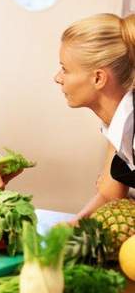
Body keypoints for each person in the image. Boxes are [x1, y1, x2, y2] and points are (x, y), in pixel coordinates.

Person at [54, 13, 135, 222]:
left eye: (65, 69)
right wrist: (71, 227)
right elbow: (110, 194)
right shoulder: (118, 123)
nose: (57, 78)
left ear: (98, 78)